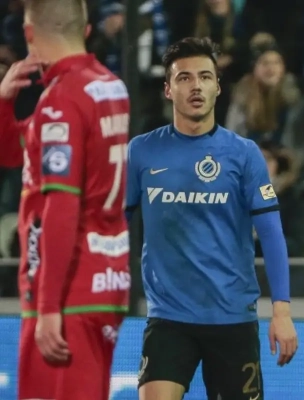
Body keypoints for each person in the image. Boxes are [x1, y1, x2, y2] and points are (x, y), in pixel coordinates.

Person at [126, 37, 298, 400]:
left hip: (232, 318)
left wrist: (281, 311)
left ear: (218, 87)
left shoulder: (244, 154)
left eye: (205, 77)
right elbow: (114, 225)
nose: (196, 86)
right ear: (168, 89)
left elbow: (271, 234)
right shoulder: (141, 151)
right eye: (184, 78)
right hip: (169, 317)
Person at [0, 0, 131, 399]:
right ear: (86, 31)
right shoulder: (110, 86)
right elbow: (18, 155)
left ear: (29, 34)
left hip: (69, 291)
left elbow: (61, 205)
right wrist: (3, 104)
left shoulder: (61, 100)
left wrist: (48, 306)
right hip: (105, 280)